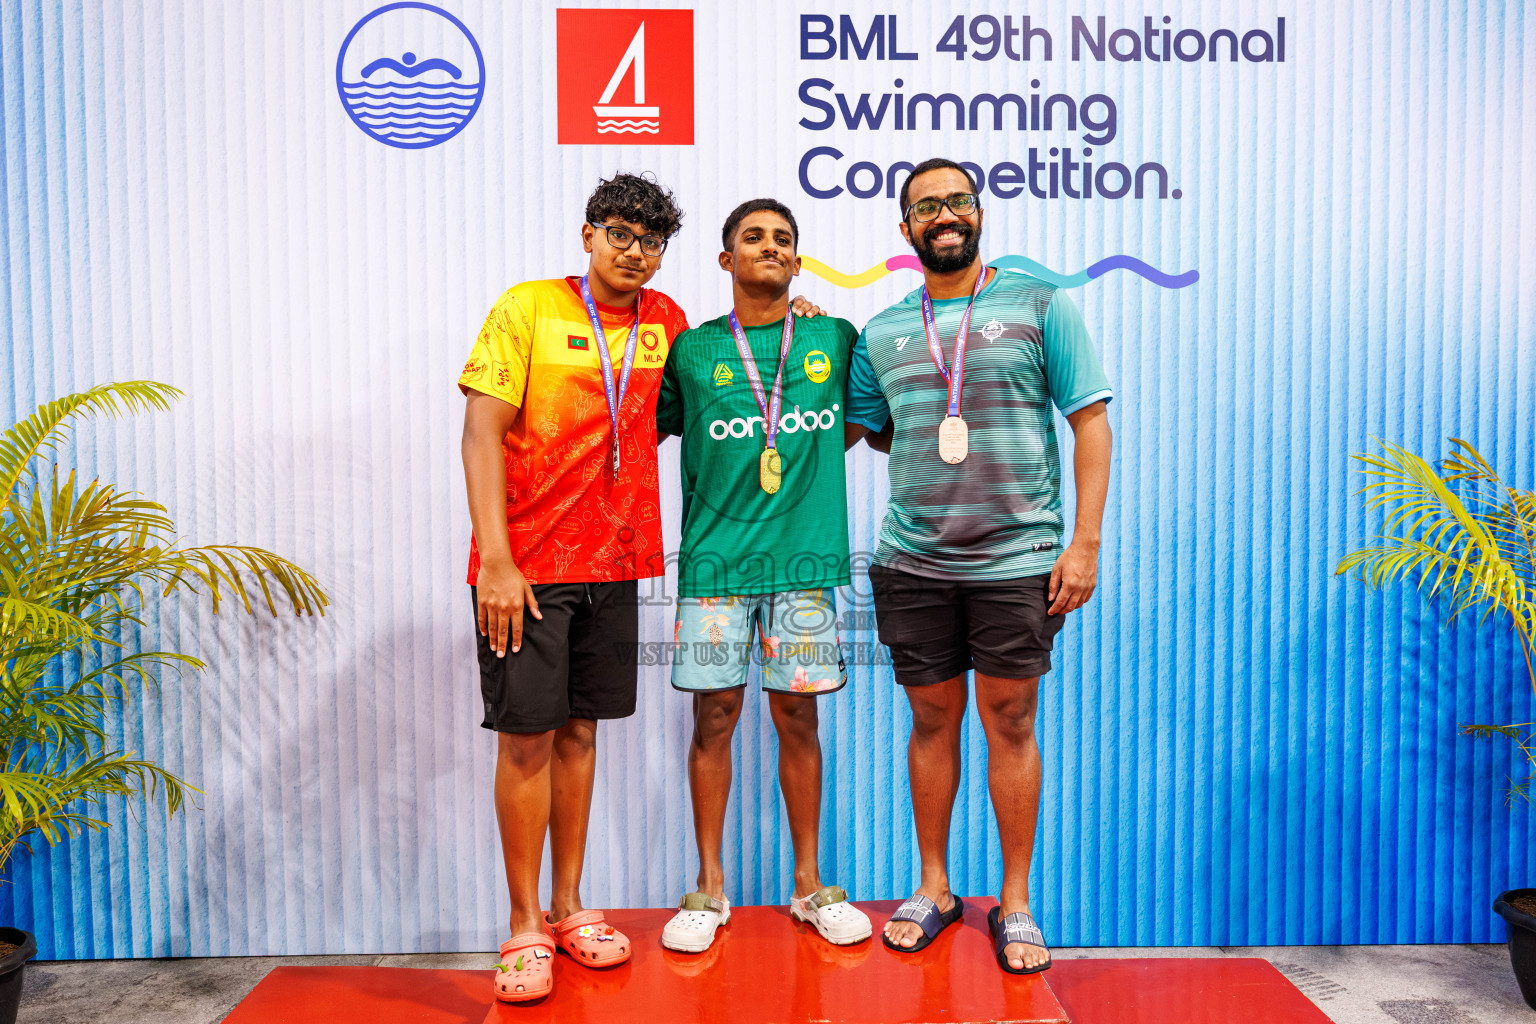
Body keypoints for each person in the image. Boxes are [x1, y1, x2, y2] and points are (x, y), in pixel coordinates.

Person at [844, 158, 1114, 975]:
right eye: (927, 207)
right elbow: (869, 426)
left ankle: (1016, 901)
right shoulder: (883, 331)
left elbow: (1090, 423)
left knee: (1012, 722)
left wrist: (1084, 543)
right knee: (931, 722)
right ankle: (934, 887)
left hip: (1018, 558)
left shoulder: (1040, 304)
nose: (945, 215)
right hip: (913, 560)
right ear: (905, 228)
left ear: (979, 212)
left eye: (958, 200)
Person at [458, 172, 688, 1002]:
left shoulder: (666, 321)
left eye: (650, 242)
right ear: (588, 235)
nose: (634, 252)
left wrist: (792, 316)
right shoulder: (528, 307)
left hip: (615, 564)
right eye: (620, 234)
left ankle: (568, 906)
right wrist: (496, 559)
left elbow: (704, 394)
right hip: (527, 569)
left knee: (581, 733)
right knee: (525, 737)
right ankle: (523, 923)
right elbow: (480, 434)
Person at [654, 199, 885, 953]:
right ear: (726, 259)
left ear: (798, 260)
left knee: (798, 719)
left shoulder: (833, 335)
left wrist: (801, 453)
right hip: (715, 568)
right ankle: (708, 887)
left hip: (804, 566)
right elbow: (642, 425)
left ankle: (810, 887)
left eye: (783, 239)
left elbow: (862, 421)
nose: (770, 247)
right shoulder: (691, 350)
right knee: (714, 719)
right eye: (753, 237)